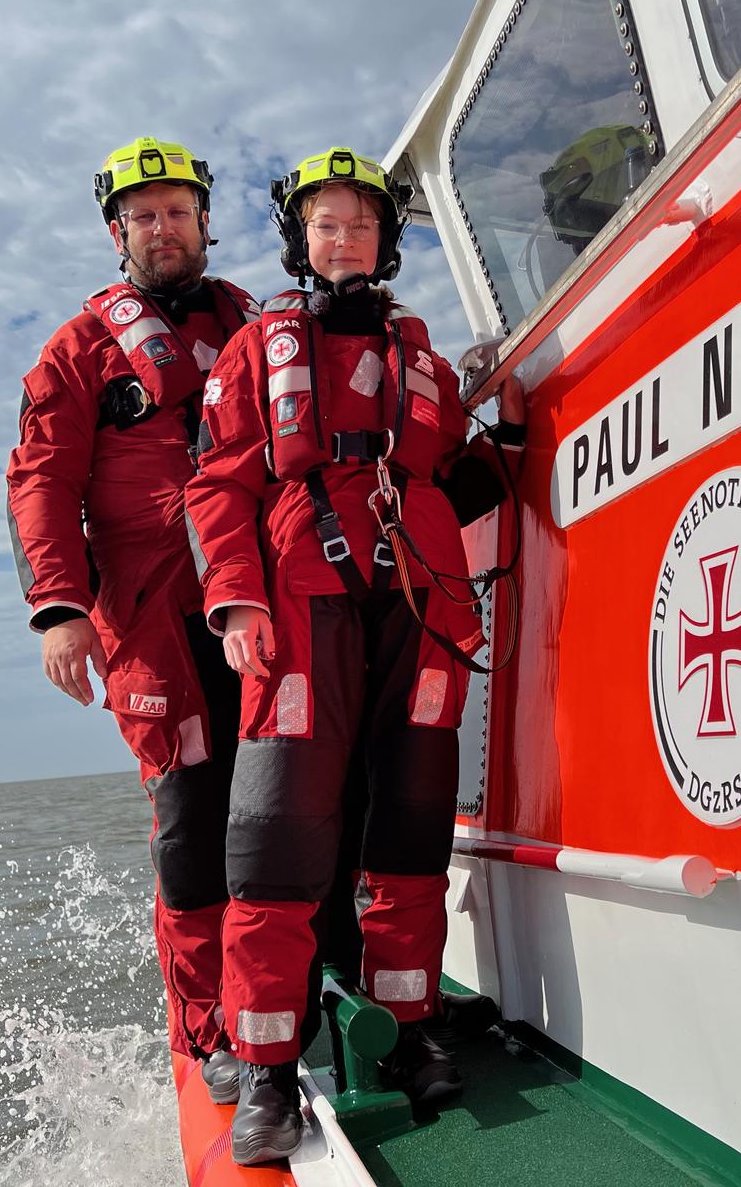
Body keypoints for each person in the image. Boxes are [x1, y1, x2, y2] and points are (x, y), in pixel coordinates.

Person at [185, 147, 525, 1164]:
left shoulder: (423, 358)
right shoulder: (258, 349)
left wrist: (508, 426)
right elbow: (217, 488)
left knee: (412, 831)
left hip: (419, 612)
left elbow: (459, 481)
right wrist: (237, 603)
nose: (346, 241)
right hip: (298, 613)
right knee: (279, 844)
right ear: (302, 239)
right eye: (327, 226)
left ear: (386, 241)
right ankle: (269, 1073)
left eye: (363, 226)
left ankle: (409, 1028)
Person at [6, 137, 261, 1104]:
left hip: (258, 598)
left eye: (178, 211)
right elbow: (40, 480)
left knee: (286, 797)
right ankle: (208, 1034)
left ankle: (295, 985)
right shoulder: (77, 352)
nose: (164, 228)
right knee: (192, 819)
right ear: (120, 234)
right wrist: (59, 613)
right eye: (144, 216)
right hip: (151, 613)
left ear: (203, 221)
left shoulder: (255, 321)